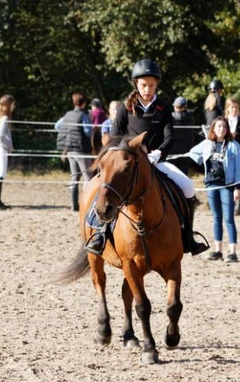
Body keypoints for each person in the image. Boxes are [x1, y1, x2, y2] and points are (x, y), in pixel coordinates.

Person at [85, 59, 209, 256]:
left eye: (151, 85)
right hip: (128, 164)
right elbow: (115, 136)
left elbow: (169, 137)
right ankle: (100, 233)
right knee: (106, 188)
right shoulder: (126, 107)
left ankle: (188, 237)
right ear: (136, 84)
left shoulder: (162, 107)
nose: (147, 89)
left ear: (156, 85)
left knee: (187, 185)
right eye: (143, 85)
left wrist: (157, 154)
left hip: (156, 160)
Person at [189, 116, 240, 262]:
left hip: (227, 185)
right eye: (218, 126)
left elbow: (238, 169)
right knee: (216, 218)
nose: (221, 129)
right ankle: (218, 251)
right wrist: (202, 166)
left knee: (229, 218)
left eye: (224, 127)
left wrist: (237, 187)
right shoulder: (207, 143)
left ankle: (233, 252)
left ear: (227, 129)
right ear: (213, 128)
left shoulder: (233, 145)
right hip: (211, 185)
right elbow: (193, 152)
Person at [56, 92, 93, 211]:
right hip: (81, 150)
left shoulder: (67, 114)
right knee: (88, 177)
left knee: (74, 177)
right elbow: (88, 132)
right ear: (84, 103)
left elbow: (57, 126)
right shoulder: (83, 115)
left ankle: (74, 204)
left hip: (69, 150)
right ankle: (87, 203)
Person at [170, 96, 196, 175]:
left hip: (172, 151)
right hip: (186, 151)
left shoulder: (170, 117)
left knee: (172, 176)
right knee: (184, 175)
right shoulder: (190, 118)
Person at [225, 98, 240, 214]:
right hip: (226, 153)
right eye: (232, 107)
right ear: (228, 109)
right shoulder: (223, 122)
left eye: (236, 107)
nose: (234, 110)